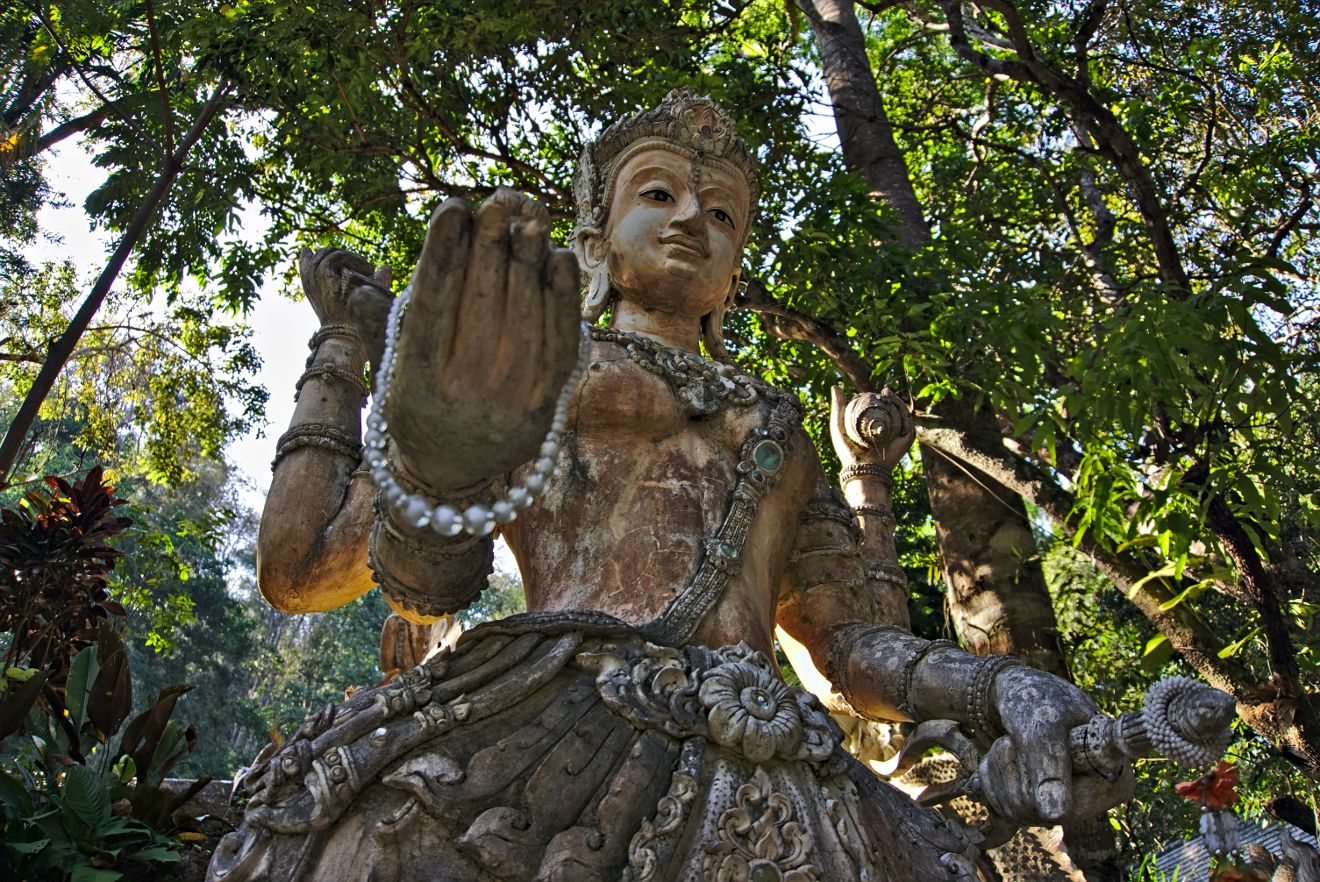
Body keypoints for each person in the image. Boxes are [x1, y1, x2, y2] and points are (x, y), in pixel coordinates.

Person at [209, 89, 1127, 882]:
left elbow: (851, 651)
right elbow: (308, 571)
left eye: (723, 214)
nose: (693, 218)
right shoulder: (538, 362)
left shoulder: (777, 422)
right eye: (659, 193)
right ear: (597, 232)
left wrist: (1002, 689)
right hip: (554, 721)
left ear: (734, 272)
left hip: (771, 754)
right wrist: (391, 413)